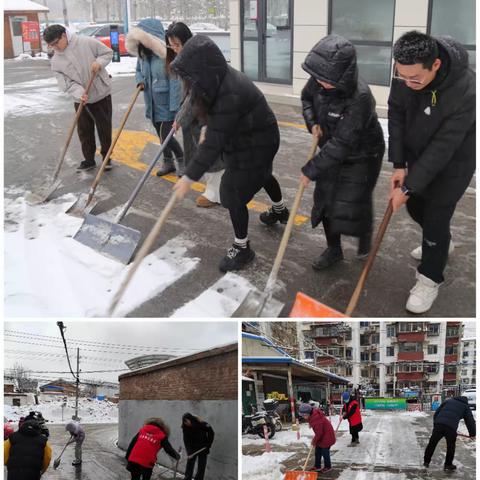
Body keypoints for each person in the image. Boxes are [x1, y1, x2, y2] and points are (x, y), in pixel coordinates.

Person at [171, 35, 289, 272]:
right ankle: (280, 210)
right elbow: (203, 107)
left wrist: (189, 176)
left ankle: (242, 248)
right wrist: (207, 125)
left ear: (202, 69)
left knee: (230, 192)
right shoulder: (214, 79)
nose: (188, 81)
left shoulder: (229, 91)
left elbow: (214, 143)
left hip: (257, 141)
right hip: (254, 134)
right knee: (263, 173)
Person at [388, 31, 475, 314]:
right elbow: (397, 115)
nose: (407, 83)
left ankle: (430, 277)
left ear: (435, 65)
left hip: (454, 163)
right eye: (402, 77)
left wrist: (408, 187)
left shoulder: (465, 88)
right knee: (416, 208)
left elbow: (443, 147)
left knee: (436, 219)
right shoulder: (406, 71)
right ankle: (438, 244)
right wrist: (399, 165)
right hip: (418, 155)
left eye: (415, 79)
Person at [299, 34, 385, 270]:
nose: (319, 83)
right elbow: (306, 98)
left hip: (363, 155)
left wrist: (311, 169)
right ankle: (334, 250)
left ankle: (364, 237)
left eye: (326, 80)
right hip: (331, 146)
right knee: (326, 200)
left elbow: (343, 144)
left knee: (354, 201)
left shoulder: (361, 98)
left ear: (343, 75)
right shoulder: (319, 79)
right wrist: (312, 121)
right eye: (317, 78)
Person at [165, 21, 225, 208]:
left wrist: (180, 118)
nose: (174, 49)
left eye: (177, 44)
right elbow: (187, 97)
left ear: (187, 40)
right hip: (197, 115)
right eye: (171, 45)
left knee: (212, 156)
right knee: (206, 155)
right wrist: (179, 118)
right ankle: (215, 190)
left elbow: (194, 97)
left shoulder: (196, 61)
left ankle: (215, 194)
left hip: (207, 115)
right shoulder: (185, 60)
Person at [43, 24, 114, 171]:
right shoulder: (56, 61)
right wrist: (79, 92)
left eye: (56, 43)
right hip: (80, 99)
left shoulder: (86, 42)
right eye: (51, 45)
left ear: (63, 36)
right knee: (84, 130)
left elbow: (107, 53)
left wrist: (98, 63)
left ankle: (107, 158)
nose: (54, 47)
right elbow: (65, 83)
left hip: (100, 93)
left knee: (104, 128)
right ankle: (88, 160)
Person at [126, 18, 184, 177]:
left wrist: (176, 109)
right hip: (151, 103)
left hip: (166, 104)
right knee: (160, 134)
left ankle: (182, 159)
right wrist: (140, 81)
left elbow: (175, 83)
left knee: (166, 136)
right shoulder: (143, 55)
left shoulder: (167, 55)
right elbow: (138, 71)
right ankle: (168, 161)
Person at [424, 395, 475, 471]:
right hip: (451, 427)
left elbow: (437, 412)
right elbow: (470, 421)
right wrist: (473, 434)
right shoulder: (465, 406)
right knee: (451, 446)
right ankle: (448, 464)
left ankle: (426, 462)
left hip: (439, 424)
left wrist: (436, 424)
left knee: (432, 443)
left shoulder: (448, 401)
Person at [298, 403, 336, 473]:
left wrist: (314, 441)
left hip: (327, 436)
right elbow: (312, 420)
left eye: (304, 415)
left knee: (325, 452)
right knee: (317, 451)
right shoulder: (313, 414)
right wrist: (311, 423)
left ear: (308, 413)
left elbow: (319, 433)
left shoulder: (316, 419)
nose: (303, 417)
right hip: (323, 435)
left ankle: (328, 466)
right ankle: (317, 466)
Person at [182, 413, 215, 480]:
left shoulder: (201, 424)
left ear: (191, 419)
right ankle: (187, 478)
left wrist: (208, 444)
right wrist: (189, 452)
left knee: (201, 466)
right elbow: (186, 441)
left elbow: (211, 432)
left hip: (203, 448)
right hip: (193, 448)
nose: (186, 423)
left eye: (187, 421)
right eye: (184, 422)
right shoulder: (185, 428)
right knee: (190, 464)